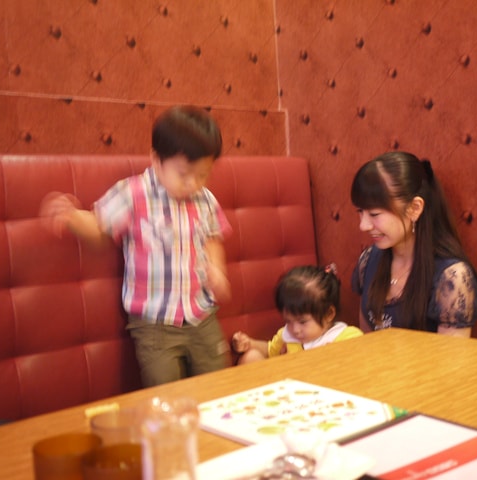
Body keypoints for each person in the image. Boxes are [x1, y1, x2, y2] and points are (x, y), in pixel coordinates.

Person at [40, 105, 232, 386]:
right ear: (156, 160)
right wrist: (72, 218)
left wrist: (218, 270)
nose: (193, 184)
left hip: (201, 314)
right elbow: (100, 228)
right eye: (183, 174)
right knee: (163, 390)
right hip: (154, 323)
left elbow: (213, 237)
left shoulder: (205, 200)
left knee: (218, 383)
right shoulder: (133, 193)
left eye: (203, 175)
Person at [350, 151, 477, 337]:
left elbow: (451, 355)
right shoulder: (368, 260)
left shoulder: (452, 278)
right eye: (360, 212)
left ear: (414, 208)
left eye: (374, 214)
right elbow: (367, 341)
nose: (363, 225)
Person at [232, 264, 363, 364]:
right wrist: (250, 344)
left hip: (326, 387)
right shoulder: (287, 335)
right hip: (290, 386)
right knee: (250, 357)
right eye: (288, 321)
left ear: (328, 314)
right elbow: (270, 350)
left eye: (302, 322)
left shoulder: (347, 337)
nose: (295, 330)